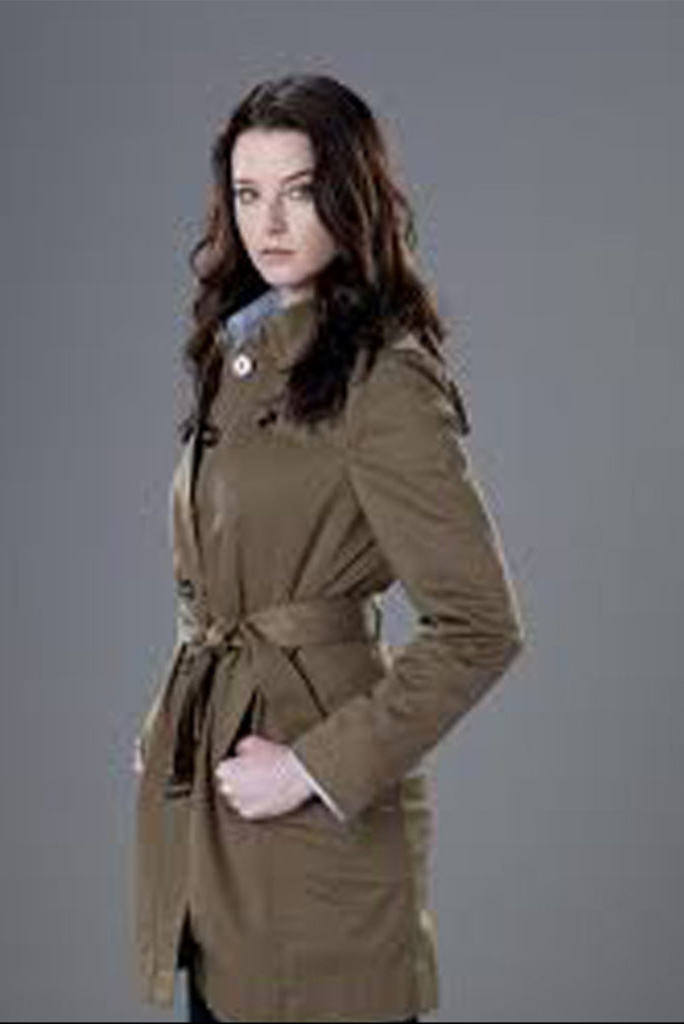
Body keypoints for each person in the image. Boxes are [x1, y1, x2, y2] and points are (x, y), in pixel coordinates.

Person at [130, 73, 526, 1024]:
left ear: (350, 196)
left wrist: (312, 768)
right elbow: (223, 584)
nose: (268, 223)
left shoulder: (384, 379)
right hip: (215, 813)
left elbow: (481, 626)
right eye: (247, 193)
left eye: (299, 192)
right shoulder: (240, 356)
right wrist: (169, 718)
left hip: (311, 826)